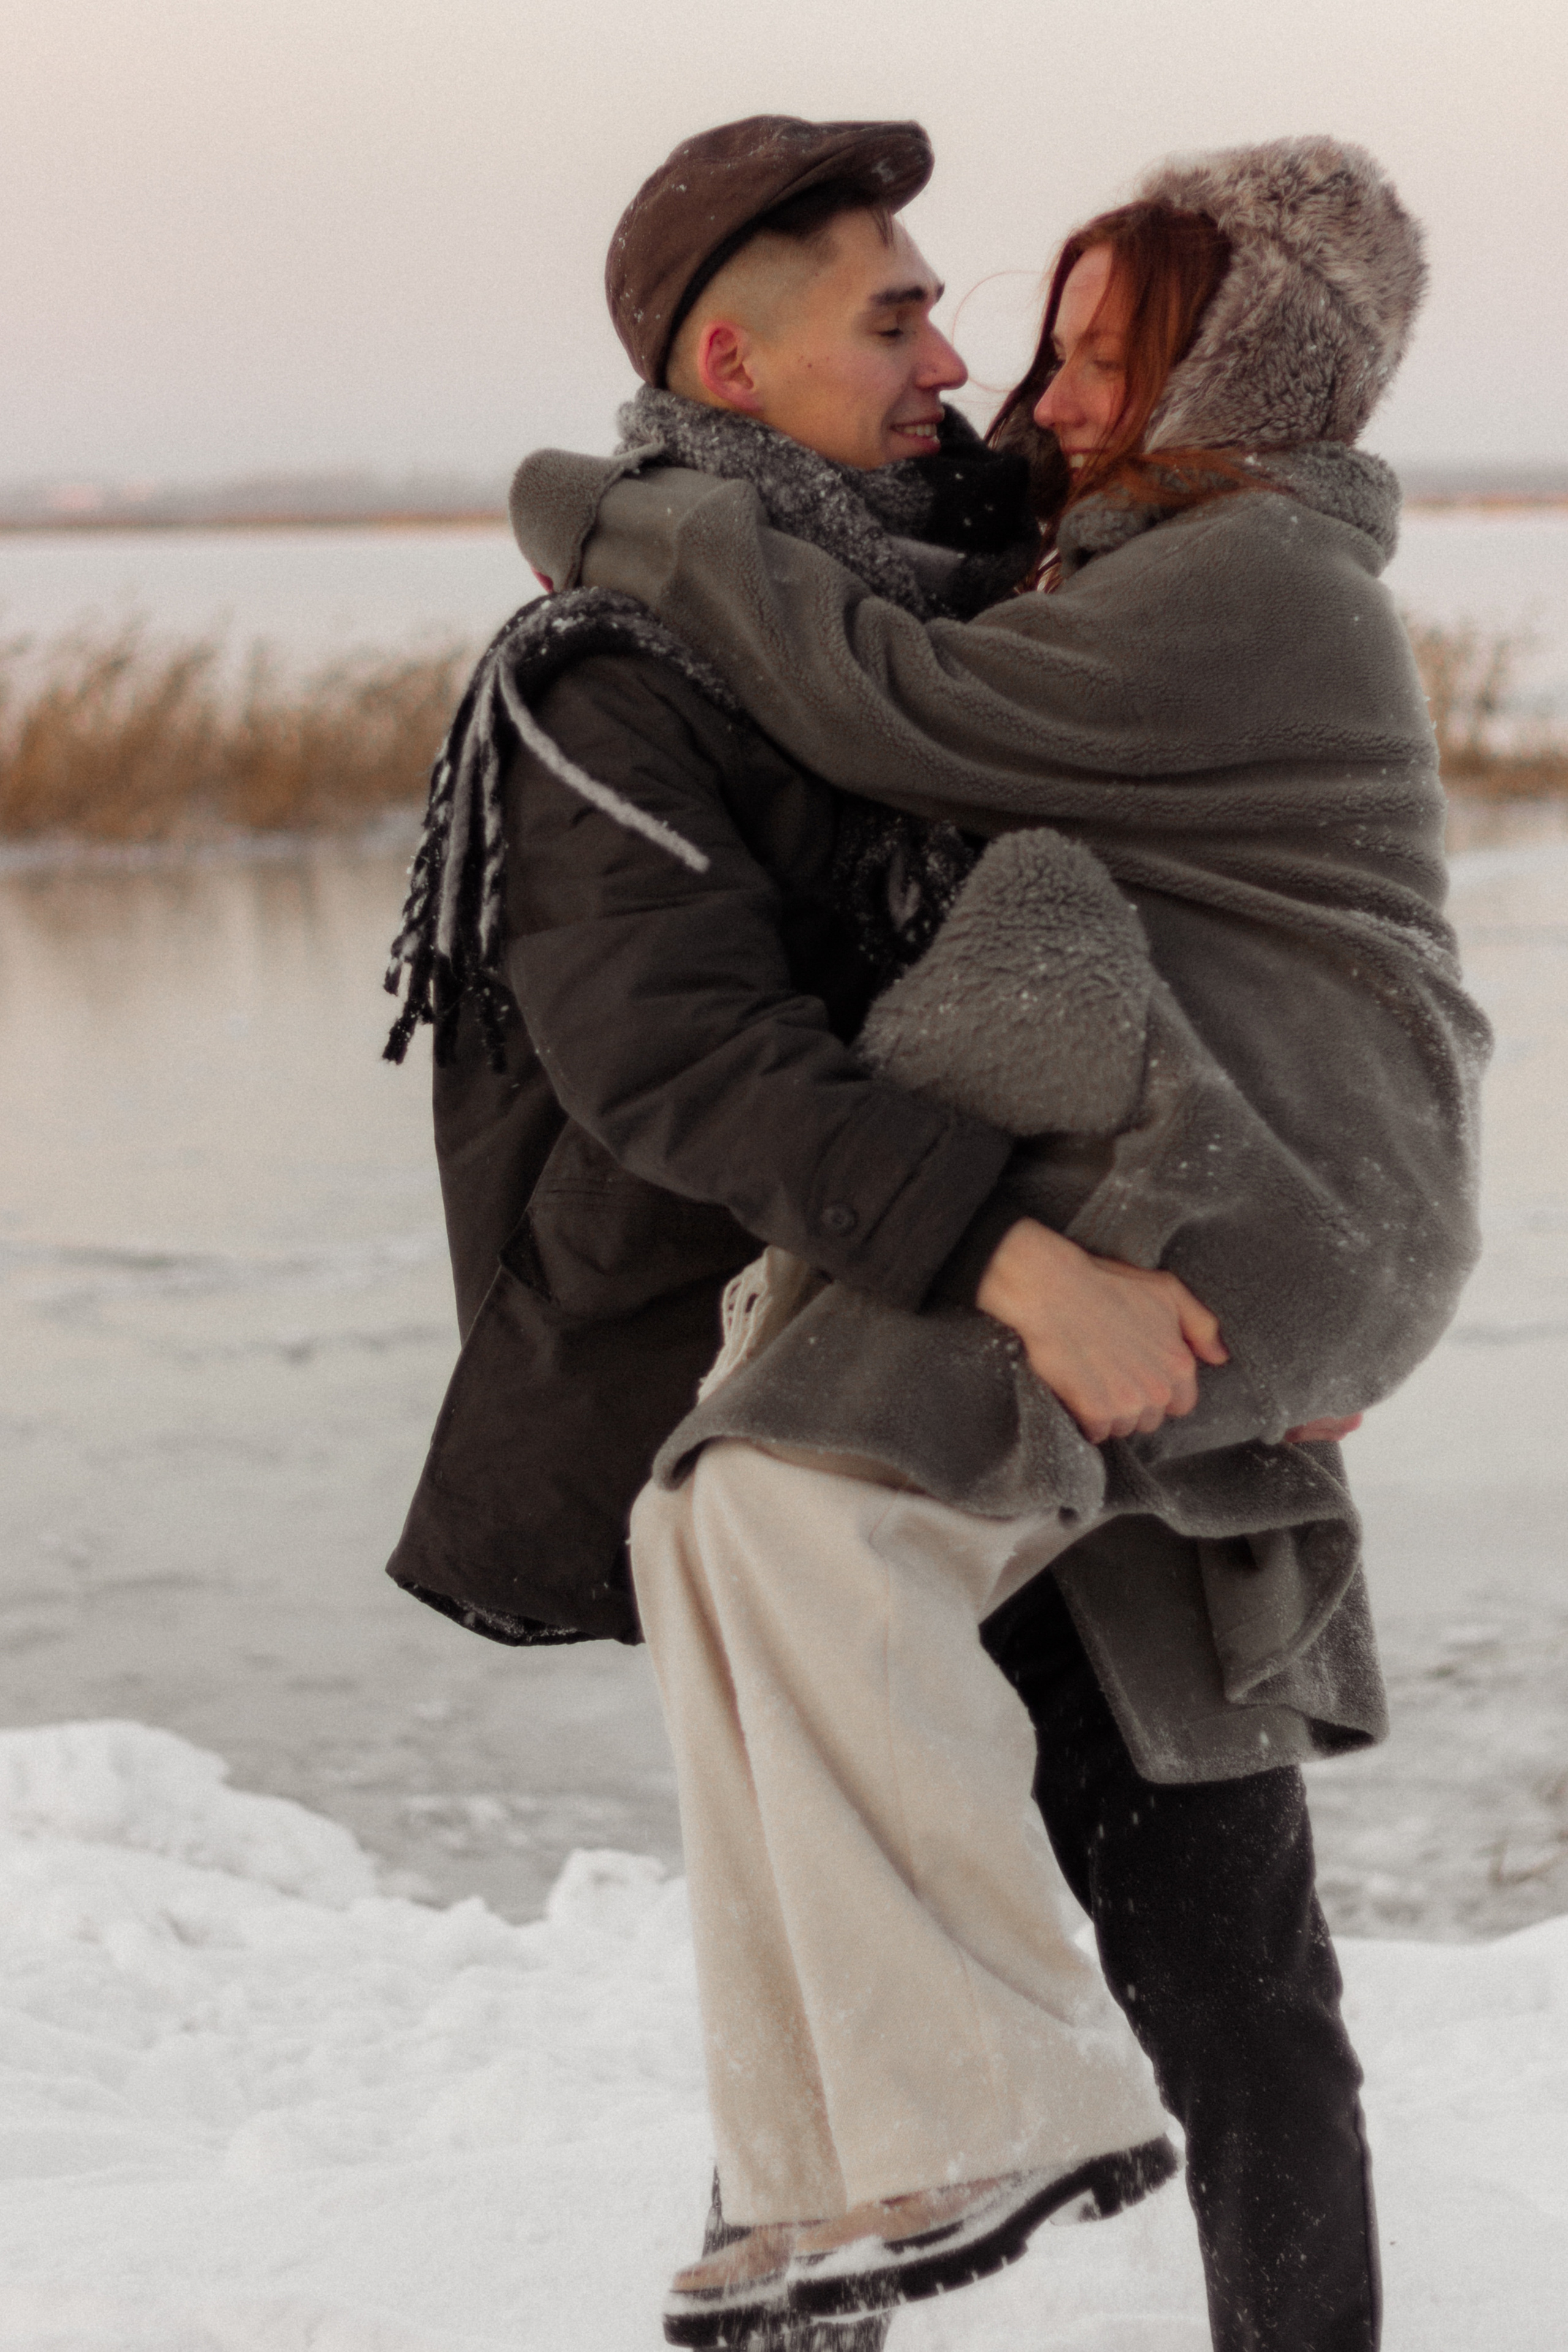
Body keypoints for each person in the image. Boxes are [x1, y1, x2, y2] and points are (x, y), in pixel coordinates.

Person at [389, 118, 1487, 2352]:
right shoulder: (623, 674)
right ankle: (884, 2206)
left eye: (1047, 345)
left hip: (1138, 1335)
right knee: (832, 1875)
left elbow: (1288, 955)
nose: (981, 370)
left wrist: (1285, 1291)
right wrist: (1027, 1267)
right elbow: (692, 1072)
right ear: (738, 356)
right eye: (905, 319)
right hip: (895, 1321)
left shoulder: (1054, 571)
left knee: (1246, 1993)